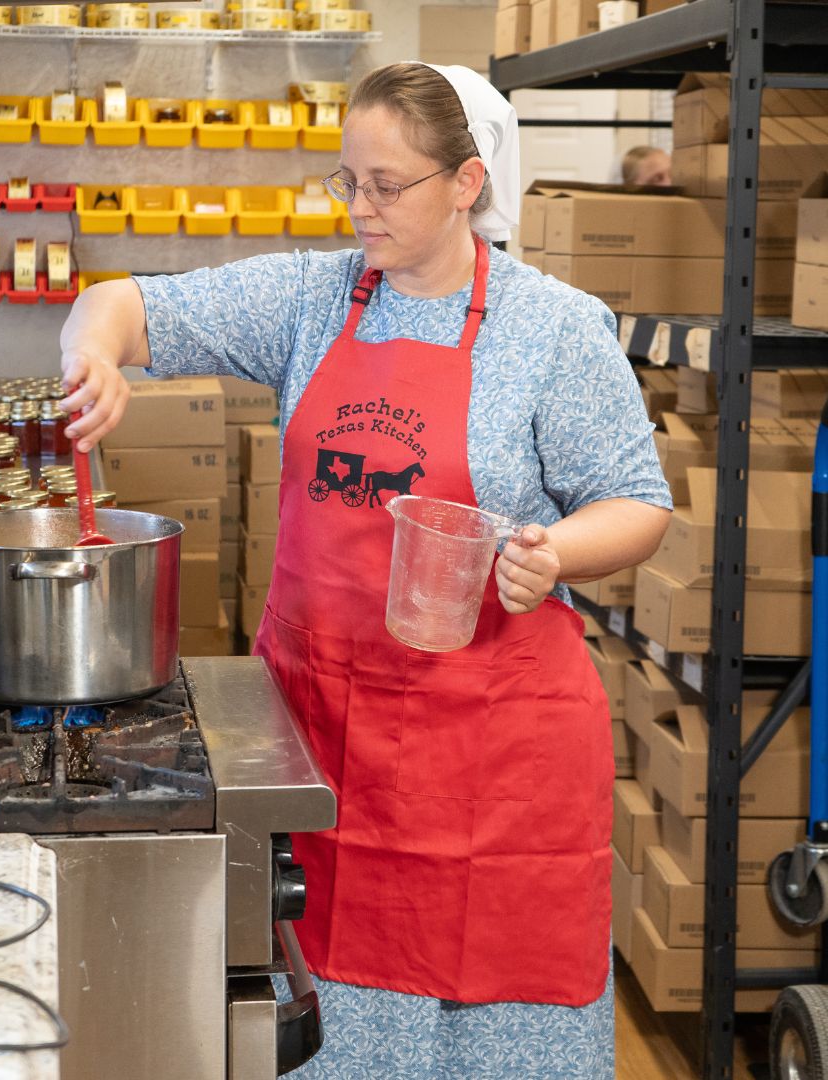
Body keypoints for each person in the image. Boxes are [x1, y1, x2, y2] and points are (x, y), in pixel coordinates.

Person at [59, 61, 672, 1079]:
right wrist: (99, 355)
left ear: (467, 183)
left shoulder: (554, 329)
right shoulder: (312, 296)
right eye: (349, 180)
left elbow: (638, 501)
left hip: (495, 759)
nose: (360, 208)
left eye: (387, 185)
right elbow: (120, 302)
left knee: (497, 1031)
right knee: (336, 1028)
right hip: (326, 751)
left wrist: (552, 552)